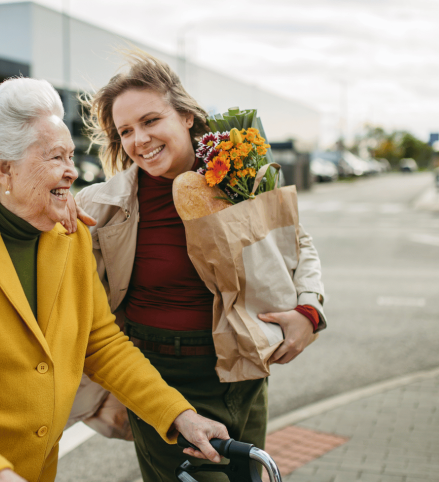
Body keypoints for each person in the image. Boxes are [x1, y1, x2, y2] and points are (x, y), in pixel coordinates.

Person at [0, 77, 230, 482]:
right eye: (56, 157)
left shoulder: (69, 234)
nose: (72, 172)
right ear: (4, 169)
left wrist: (179, 415)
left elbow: (102, 343)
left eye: (71, 156)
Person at [69, 50, 327, 482]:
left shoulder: (239, 175)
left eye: (151, 121)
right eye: (126, 131)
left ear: (186, 116)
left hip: (243, 371)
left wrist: (310, 311)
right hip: (160, 377)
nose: (140, 140)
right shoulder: (101, 205)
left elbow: (297, 243)